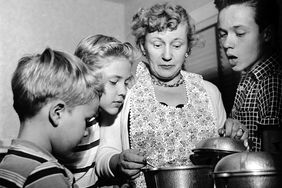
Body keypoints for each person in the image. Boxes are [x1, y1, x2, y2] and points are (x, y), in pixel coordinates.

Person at [95, 3, 249, 187]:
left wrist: (236, 138)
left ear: (188, 49)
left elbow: (227, 159)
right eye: (157, 44)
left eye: (177, 45)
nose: (167, 55)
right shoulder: (126, 93)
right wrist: (118, 162)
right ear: (143, 47)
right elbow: (103, 155)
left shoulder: (210, 92)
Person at [0, 47, 102, 187]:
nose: (86, 132)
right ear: (57, 113)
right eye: (86, 120)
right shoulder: (45, 175)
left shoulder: (9, 163)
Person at [61, 34, 136, 187]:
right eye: (114, 82)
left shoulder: (100, 116)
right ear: (89, 79)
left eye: (126, 82)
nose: (123, 90)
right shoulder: (72, 122)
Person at [214, 0, 282, 152]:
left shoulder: (271, 81)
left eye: (239, 33)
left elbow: (273, 161)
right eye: (222, 34)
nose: (226, 44)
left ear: (267, 34)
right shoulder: (247, 79)